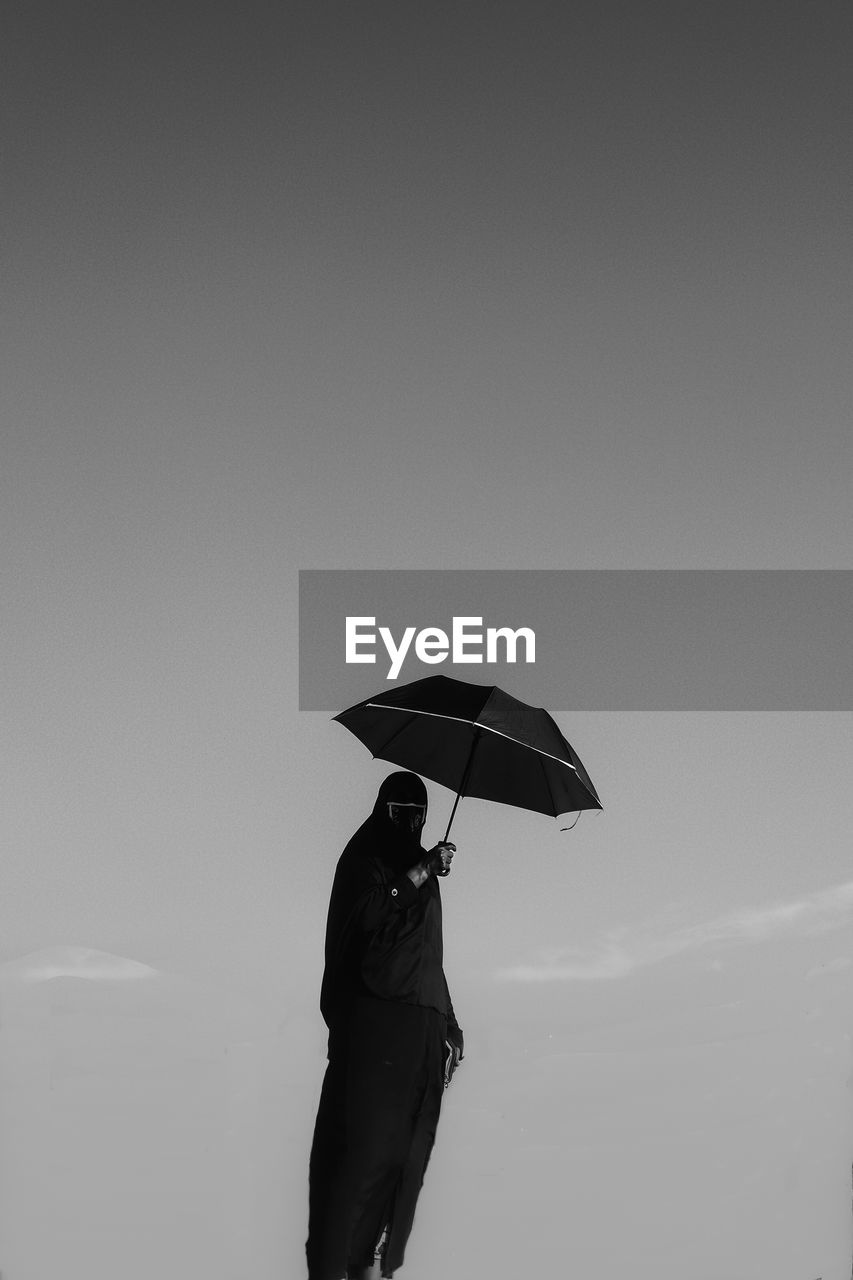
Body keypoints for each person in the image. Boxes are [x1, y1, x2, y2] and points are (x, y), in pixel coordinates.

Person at [306, 770, 464, 1280]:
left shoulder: (418, 870)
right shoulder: (364, 860)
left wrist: (451, 1023)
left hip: (422, 1029)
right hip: (377, 1028)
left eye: (419, 816)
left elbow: (426, 955)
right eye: (402, 814)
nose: (413, 823)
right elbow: (371, 916)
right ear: (383, 811)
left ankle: (376, 1267)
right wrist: (420, 871)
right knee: (362, 1164)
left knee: (404, 1167)